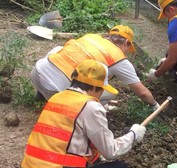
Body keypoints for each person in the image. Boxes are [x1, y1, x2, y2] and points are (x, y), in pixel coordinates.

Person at [21, 59, 146, 168]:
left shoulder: (58, 97)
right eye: (101, 90)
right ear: (94, 88)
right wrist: (133, 135)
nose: (100, 95)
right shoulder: (90, 106)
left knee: (91, 160)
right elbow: (111, 152)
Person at [31, 25, 160, 110]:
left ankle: (41, 95)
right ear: (126, 42)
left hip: (36, 74)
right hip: (57, 90)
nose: (126, 52)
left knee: (59, 50)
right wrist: (155, 105)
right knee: (109, 91)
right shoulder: (118, 58)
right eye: (128, 48)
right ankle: (88, 110)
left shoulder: (91, 37)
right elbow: (142, 92)